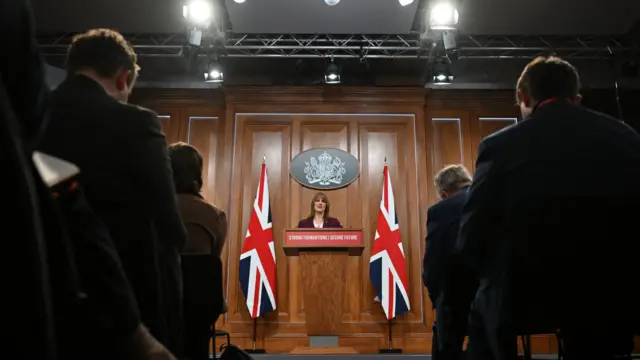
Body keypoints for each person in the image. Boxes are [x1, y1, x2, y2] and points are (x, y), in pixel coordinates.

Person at [458, 56, 640, 360]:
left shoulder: (499, 145)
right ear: (577, 98)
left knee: (480, 314)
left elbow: (472, 234)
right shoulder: (627, 137)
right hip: (611, 292)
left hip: (527, 292)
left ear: (525, 98)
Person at [38, 28, 188, 354]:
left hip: (45, 289)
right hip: (128, 299)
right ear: (123, 78)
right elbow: (169, 224)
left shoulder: (30, 119)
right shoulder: (137, 123)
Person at [168, 142, 228, 360]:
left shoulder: (151, 209)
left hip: (159, 302)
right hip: (202, 307)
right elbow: (212, 261)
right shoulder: (216, 216)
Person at [423, 164, 478, 360]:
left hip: (460, 299)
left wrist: (434, 295)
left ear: (445, 193)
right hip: (509, 298)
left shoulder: (441, 210)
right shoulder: (496, 196)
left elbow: (433, 262)